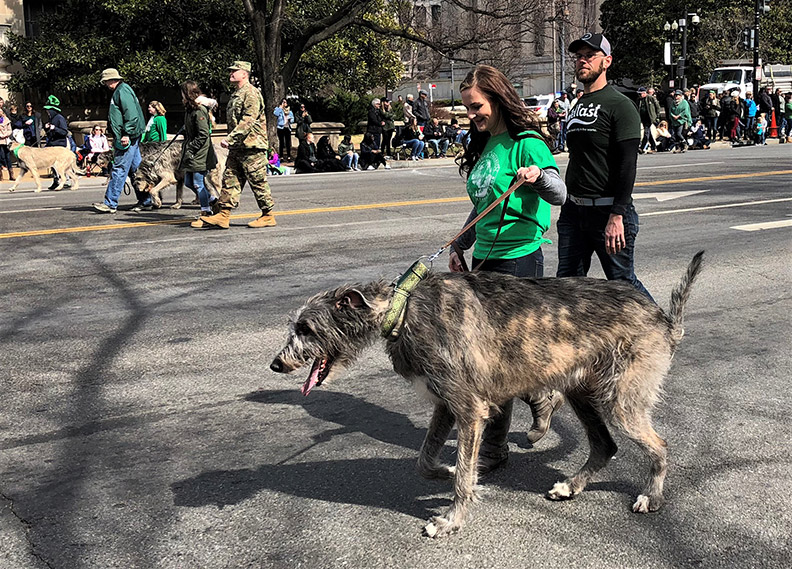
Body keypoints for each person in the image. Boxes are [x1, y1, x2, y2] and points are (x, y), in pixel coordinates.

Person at [449, 64, 567, 473]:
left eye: (476, 106)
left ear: (497, 99)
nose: (471, 115)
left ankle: (494, 449)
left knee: (496, 361)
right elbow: (485, 203)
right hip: (485, 261)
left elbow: (560, 193)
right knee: (500, 358)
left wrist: (536, 177)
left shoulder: (525, 142)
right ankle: (540, 396)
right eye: (467, 108)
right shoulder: (485, 145)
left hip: (520, 260)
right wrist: (460, 242)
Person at [559, 32, 653, 301]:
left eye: (590, 56)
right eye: (579, 56)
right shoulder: (577, 104)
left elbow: (627, 164)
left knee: (623, 285)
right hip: (574, 212)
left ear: (607, 61)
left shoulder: (620, 105)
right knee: (566, 286)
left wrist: (617, 215)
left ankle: (661, 328)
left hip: (607, 212)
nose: (583, 61)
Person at [198, 62, 276, 228]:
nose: (231, 73)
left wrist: (230, 138)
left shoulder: (251, 93)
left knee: (258, 182)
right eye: (230, 70)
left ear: (245, 74)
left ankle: (268, 215)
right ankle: (223, 215)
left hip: (252, 147)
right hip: (238, 147)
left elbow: (248, 120)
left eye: (234, 71)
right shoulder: (236, 94)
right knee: (229, 181)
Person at [92, 69, 145, 213]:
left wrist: (126, 133)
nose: (105, 84)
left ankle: (110, 203)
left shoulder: (122, 91)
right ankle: (146, 200)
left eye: (106, 81)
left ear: (111, 80)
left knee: (119, 168)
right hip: (130, 135)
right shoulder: (123, 90)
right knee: (135, 168)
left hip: (126, 136)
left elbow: (131, 114)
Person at [176, 81, 218, 224]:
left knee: (198, 183)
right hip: (192, 151)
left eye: (182, 92)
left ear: (186, 93)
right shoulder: (190, 109)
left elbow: (203, 134)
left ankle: (206, 211)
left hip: (200, 152)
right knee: (188, 182)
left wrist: (191, 149)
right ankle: (213, 200)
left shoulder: (199, 109)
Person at [42, 95, 72, 189]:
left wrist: (55, 128)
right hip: (52, 144)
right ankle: (56, 180)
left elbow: (64, 132)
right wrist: (46, 127)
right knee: (52, 164)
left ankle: (66, 180)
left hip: (59, 144)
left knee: (60, 164)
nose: (47, 111)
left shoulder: (60, 118)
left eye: (49, 109)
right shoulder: (51, 119)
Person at [637, 87, 660, 153]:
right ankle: (653, 146)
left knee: (646, 132)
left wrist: (657, 116)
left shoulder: (651, 98)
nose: (639, 95)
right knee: (648, 132)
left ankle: (642, 147)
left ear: (644, 93)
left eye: (640, 94)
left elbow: (657, 107)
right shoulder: (639, 100)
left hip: (649, 118)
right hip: (643, 118)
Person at [0, 107, 15, 181]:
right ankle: (0, 175)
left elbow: (10, 130)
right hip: (0, 140)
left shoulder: (6, 120)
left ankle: (11, 174)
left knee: (8, 157)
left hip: (6, 140)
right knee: (1, 156)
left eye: (1, 112)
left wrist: (6, 134)